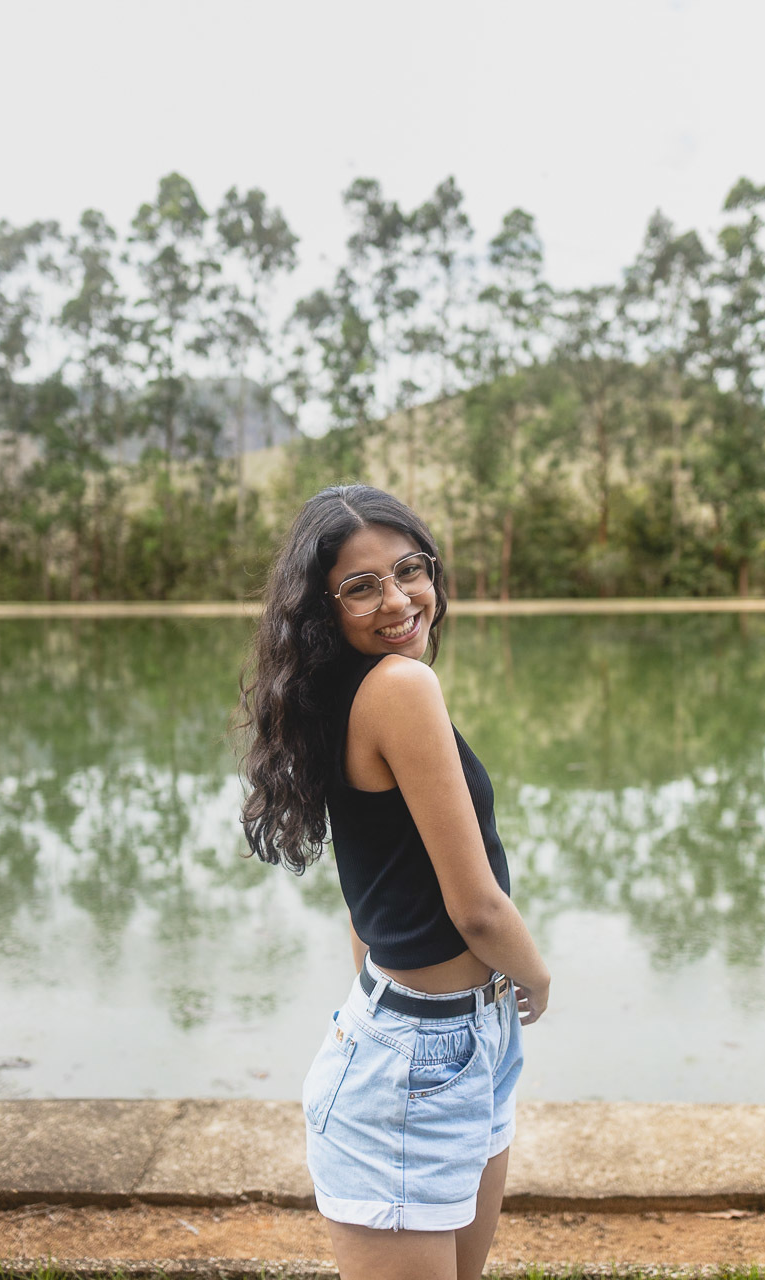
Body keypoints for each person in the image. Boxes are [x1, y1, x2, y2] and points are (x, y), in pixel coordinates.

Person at [239, 484, 550, 1280]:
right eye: (361, 586)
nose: (398, 599)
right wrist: (536, 972)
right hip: (423, 1053)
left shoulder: (339, 691)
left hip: (449, 1040)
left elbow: (366, 881)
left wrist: (388, 1010)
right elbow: (476, 906)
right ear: (323, 608)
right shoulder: (401, 689)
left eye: (410, 569)